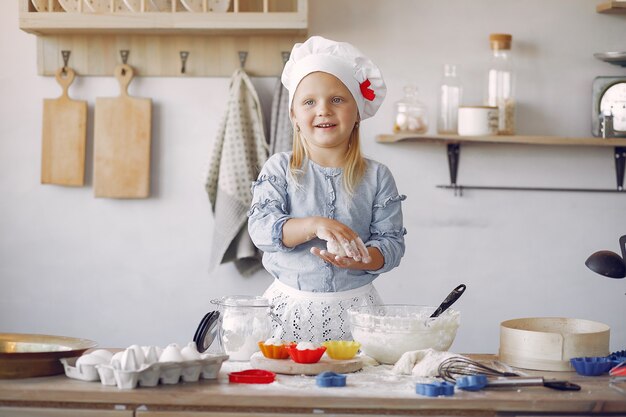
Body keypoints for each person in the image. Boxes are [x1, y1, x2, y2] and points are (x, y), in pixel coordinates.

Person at [247, 36, 406, 343]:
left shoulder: (377, 176)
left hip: (358, 313)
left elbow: (392, 245)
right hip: (288, 311)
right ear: (294, 115)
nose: (323, 110)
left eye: (337, 99)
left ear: (357, 112)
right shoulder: (279, 169)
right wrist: (314, 225)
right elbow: (262, 229)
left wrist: (363, 258)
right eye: (309, 102)